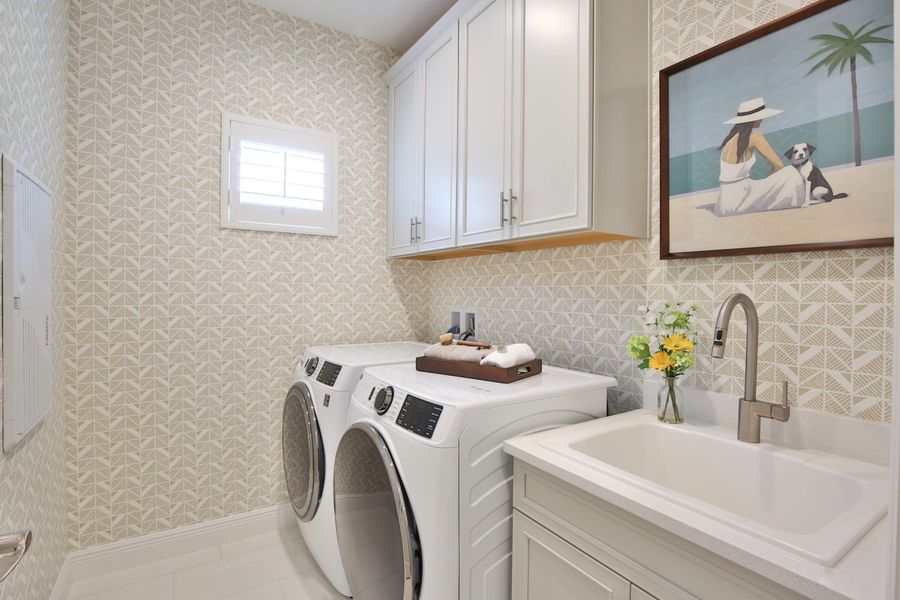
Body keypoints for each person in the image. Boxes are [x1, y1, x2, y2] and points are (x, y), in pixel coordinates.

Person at [713, 98, 806, 217]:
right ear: (754, 119)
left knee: (758, 183)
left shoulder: (729, 141)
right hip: (740, 199)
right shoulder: (755, 137)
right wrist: (768, 180)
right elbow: (778, 166)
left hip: (724, 204)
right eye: (760, 116)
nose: (762, 119)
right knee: (791, 171)